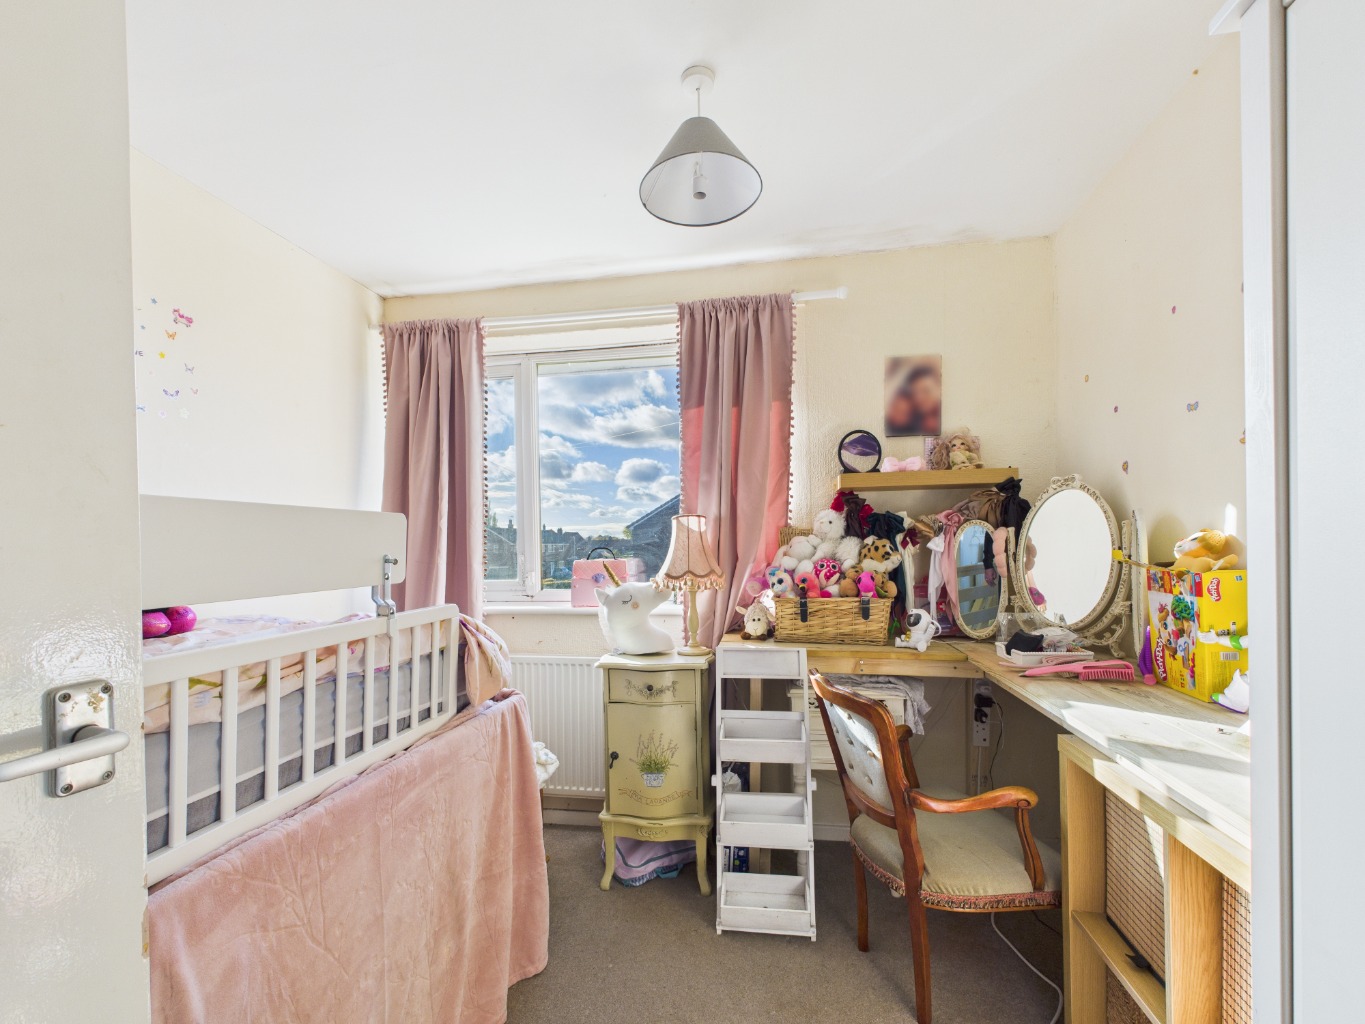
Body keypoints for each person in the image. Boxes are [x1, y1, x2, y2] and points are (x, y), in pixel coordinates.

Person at [884, 358, 943, 436]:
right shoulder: (915, 422)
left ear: (939, 389)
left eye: (925, 390)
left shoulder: (945, 415)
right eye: (916, 393)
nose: (920, 398)